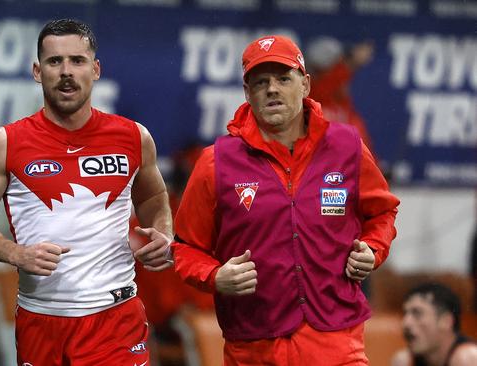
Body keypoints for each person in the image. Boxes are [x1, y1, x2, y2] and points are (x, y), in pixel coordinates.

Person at [171, 34, 400, 365]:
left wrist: (373, 249)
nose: (272, 89)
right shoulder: (215, 162)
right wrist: (215, 276)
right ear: (248, 93)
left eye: (283, 78)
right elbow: (185, 247)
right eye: (260, 82)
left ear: (305, 84)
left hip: (336, 344)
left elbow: (383, 213)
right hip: (253, 348)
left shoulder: (346, 145)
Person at [0, 19, 173, 366]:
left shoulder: (134, 137)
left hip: (116, 320)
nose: (66, 72)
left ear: (96, 69)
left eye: (77, 61)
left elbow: (152, 196)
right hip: (41, 322)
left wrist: (163, 234)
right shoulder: (4, 143)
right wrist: (15, 253)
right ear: (37, 71)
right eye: (55, 62)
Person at [308, 37, 376, 154]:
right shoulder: (311, 104)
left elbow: (367, 160)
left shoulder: (347, 112)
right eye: (338, 64)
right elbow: (331, 80)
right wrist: (352, 63)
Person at [392, 283, 477, 366]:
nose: (405, 323)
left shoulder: (468, 358)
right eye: (405, 314)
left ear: (446, 321)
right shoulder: (404, 361)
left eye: (417, 313)